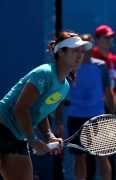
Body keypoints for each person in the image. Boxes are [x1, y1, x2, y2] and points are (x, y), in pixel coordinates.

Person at [0, 31, 92, 180]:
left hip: (17, 137)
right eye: (75, 50)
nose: (80, 55)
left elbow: (40, 112)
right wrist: (33, 140)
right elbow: (21, 109)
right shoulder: (44, 73)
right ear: (61, 53)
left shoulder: (65, 86)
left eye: (82, 51)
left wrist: (49, 136)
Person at [60, 34, 116, 180]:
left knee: (102, 156)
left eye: (87, 46)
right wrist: (59, 123)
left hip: (97, 118)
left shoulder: (101, 67)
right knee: (79, 158)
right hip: (75, 119)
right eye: (81, 47)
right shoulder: (69, 68)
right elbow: (59, 97)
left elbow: (109, 94)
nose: (84, 50)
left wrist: (112, 116)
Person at [92, 24, 116, 180]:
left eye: (112, 37)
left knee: (110, 149)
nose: (110, 40)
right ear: (97, 39)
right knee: (92, 150)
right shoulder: (91, 57)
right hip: (94, 108)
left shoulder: (115, 59)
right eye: (107, 37)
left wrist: (113, 100)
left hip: (110, 108)